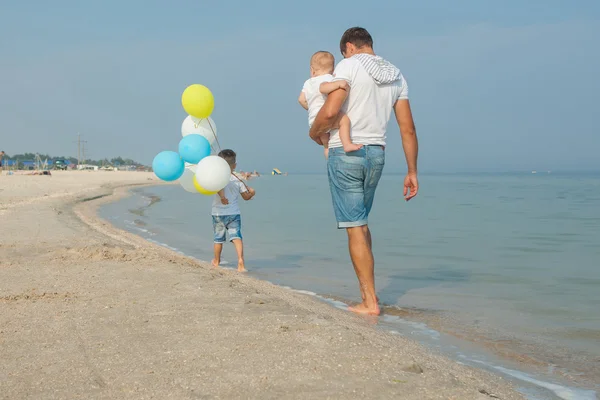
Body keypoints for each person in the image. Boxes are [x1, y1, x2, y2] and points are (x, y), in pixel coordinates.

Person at [309, 27, 419, 316]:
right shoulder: (396, 74)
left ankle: (370, 302)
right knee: (362, 224)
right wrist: (412, 171)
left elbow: (332, 111)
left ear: (349, 47)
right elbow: (407, 128)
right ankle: (368, 295)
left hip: (345, 153)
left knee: (354, 226)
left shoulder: (349, 65)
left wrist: (314, 131)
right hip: (377, 155)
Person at [298, 51, 362, 158]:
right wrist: (338, 84)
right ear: (332, 70)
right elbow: (323, 88)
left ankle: (328, 155)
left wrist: (311, 108)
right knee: (344, 121)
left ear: (312, 70)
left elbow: (301, 100)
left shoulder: (308, 83)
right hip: (327, 116)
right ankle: (347, 144)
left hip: (314, 119)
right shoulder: (329, 79)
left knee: (326, 144)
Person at [211, 149, 256, 272]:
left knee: (218, 239)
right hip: (234, 213)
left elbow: (217, 186)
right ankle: (240, 261)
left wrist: (222, 197)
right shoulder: (238, 180)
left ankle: (216, 260)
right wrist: (252, 193)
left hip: (218, 213)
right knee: (236, 237)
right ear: (234, 165)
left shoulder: (215, 177)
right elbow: (245, 197)